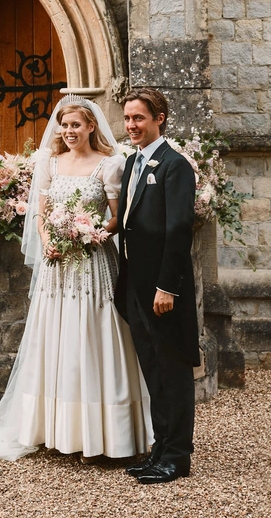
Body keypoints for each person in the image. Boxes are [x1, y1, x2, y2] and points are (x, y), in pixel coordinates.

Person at [0, 95, 151, 462]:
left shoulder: (110, 164)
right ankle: (55, 430)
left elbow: (117, 217)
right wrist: (48, 241)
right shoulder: (49, 162)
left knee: (94, 337)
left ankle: (104, 435)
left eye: (76, 125)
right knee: (57, 339)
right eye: (65, 125)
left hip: (93, 262)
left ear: (91, 126)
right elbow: (40, 214)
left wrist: (90, 234)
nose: (69, 131)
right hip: (56, 266)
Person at [116, 88, 199, 484]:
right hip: (136, 285)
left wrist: (167, 287)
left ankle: (177, 457)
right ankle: (160, 450)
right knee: (153, 371)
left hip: (164, 291)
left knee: (173, 371)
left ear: (159, 118)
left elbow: (179, 229)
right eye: (127, 118)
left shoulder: (174, 165)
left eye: (139, 118)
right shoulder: (133, 162)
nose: (131, 125)